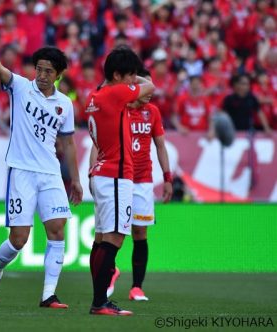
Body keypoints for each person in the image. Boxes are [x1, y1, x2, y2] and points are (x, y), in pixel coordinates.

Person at [0, 25, 83, 308]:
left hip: (50, 172)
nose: (42, 75)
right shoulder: (21, 87)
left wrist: (76, 179)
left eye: (48, 71)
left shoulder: (64, 105)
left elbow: (69, 144)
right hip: (21, 171)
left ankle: (48, 294)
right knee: (19, 239)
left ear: (58, 75)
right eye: (39, 69)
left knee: (58, 229)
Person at [87, 46, 154, 316]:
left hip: (104, 172)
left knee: (102, 238)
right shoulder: (116, 93)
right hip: (116, 175)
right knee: (114, 239)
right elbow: (150, 87)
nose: (133, 80)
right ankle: (100, 302)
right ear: (116, 75)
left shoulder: (95, 96)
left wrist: (126, 75)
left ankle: (100, 299)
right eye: (129, 75)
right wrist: (136, 79)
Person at [106, 69, 173, 302]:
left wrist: (167, 177)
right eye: (146, 87)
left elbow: (161, 147)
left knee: (140, 232)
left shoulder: (153, 112)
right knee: (115, 232)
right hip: (120, 177)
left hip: (143, 180)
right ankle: (110, 270)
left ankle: (137, 287)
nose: (150, 93)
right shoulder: (120, 109)